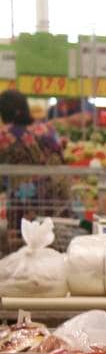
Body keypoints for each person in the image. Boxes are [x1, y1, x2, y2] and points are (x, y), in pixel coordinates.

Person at [0, 89, 71, 251]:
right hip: (55, 195)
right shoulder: (47, 129)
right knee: (52, 240)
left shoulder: (4, 136)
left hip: (23, 199)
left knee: (23, 243)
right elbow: (60, 156)